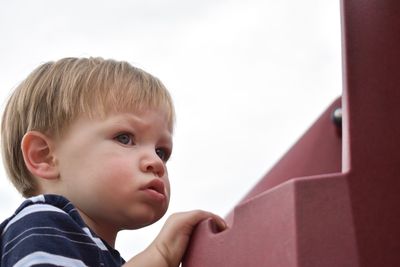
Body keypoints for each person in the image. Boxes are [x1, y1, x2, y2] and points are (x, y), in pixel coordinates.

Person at [0, 57, 226, 266]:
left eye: (161, 151)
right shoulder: (41, 223)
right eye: (125, 138)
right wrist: (160, 254)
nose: (155, 162)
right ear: (44, 156)